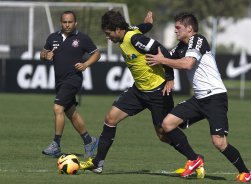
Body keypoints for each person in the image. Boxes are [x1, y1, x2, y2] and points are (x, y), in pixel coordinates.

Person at [146, 12, 251, 182]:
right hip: (199, 99)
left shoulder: (198, 40)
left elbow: (187, 63)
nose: (175, 31)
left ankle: (246, 173)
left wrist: (162, 61)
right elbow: (165, 55)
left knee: (219, 142)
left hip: (215, 97)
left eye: (178, 28)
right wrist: (144, 32)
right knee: (167, 124)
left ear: (189, 29)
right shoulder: (180, 46)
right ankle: (194, 159)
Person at [79, 10, 176, 173]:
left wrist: (170, 76)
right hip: (139, 91)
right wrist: (148, 25)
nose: (107, 37)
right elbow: (138, 27)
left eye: (109, 34)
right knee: (110, 118)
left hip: (157, 91)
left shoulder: (135, 39)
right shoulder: (128, 32)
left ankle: (194, 158)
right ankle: (98, 162)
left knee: (163, 134)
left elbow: (161, 49)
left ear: (118, 29)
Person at [40, 10, 101, 158]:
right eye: (64, 22)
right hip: (59, 82)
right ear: (61, 22)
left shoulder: (82, 38)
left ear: (75, 23)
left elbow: (97, 53)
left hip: (73, 80)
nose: (67, 24)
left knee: (57, 108)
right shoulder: (53, 37)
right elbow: (43, 53)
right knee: (70, 113)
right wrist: (45, 55)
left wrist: (85, 64)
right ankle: (89, 140)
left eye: (70, 22)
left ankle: (56, 144)